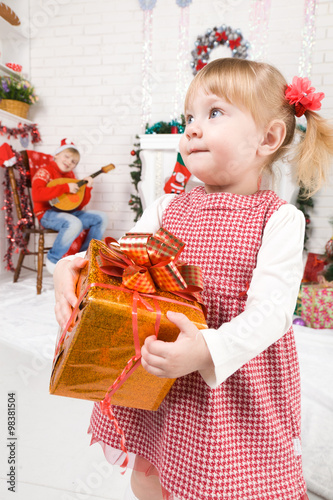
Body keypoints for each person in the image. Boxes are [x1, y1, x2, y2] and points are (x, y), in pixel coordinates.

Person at [53, 59, 333, 500]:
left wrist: (205, 348)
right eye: (189, 117)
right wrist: (73, 269)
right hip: (160, 376)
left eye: (214, 113)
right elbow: (122, 267)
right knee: (149, 474)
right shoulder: (168, 208)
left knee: (220, 482)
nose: (192, 129)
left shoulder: (279, 219)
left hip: (230, 384)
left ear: (268, 138)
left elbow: (272, 313)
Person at [31, 138, 108, 274]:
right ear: (56, 155)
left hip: (67, 213)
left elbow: (76, 205)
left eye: (74, 162)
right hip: (46, 213)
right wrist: (65, 187)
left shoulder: (71, 176)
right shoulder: (45, 171)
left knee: (100, 217)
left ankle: (84, 257)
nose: (69, 162)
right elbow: (37, 194)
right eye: (67, 156)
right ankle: (53, 259)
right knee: (74, 223)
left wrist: (87, 189)